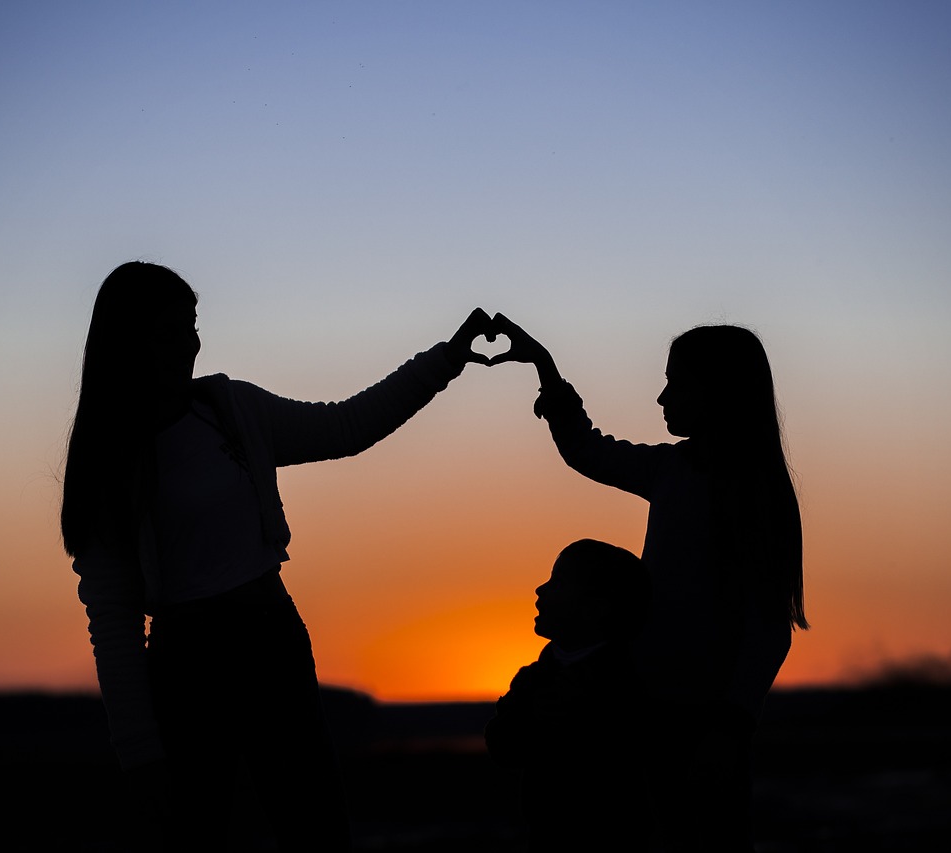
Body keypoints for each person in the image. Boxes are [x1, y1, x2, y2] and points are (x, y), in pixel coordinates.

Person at [60, 260, 496, 851]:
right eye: (169, 332)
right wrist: (139, 752)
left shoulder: (230, 410)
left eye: (192, 324)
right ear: (127, 342)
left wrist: (446, 360)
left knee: (316, 835)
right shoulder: (108, 465)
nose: (189, 343)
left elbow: (345, 426)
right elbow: (112, 624)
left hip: (274, 640)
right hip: (188, 667)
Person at [489, 316, 809, 852]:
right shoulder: (670, 469)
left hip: (706, 721)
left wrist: (731, 727)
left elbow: (768, 627)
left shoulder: (758, 496)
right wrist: (546, 371)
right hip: (642, 708)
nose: (662, 397)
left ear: (720, 391)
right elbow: (586, 450)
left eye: (676, 382)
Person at [485, 539, 653, 852]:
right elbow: (502, 748)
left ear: (597, 607)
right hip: (546, 837)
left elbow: (638, 746)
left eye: (558, 582)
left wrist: (586, 715)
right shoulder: (531, 681)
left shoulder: (628, 682)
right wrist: (531, 719)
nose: (540, 589)